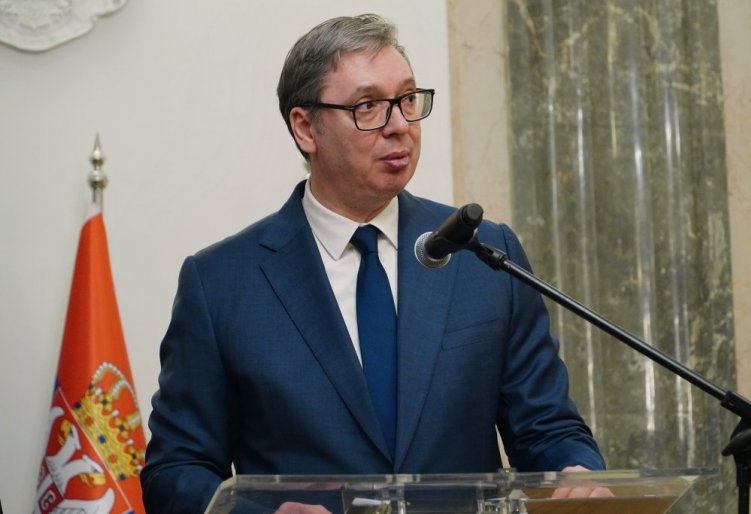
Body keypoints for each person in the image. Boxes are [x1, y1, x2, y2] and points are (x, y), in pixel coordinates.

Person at [140, 13, 607, 514]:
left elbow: (547, 428)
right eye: (368, 107)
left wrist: (575, 471)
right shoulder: (222, 284)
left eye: (407, 100)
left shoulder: (483, 255)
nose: (400, 126)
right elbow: (176, 470)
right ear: (306, 128)